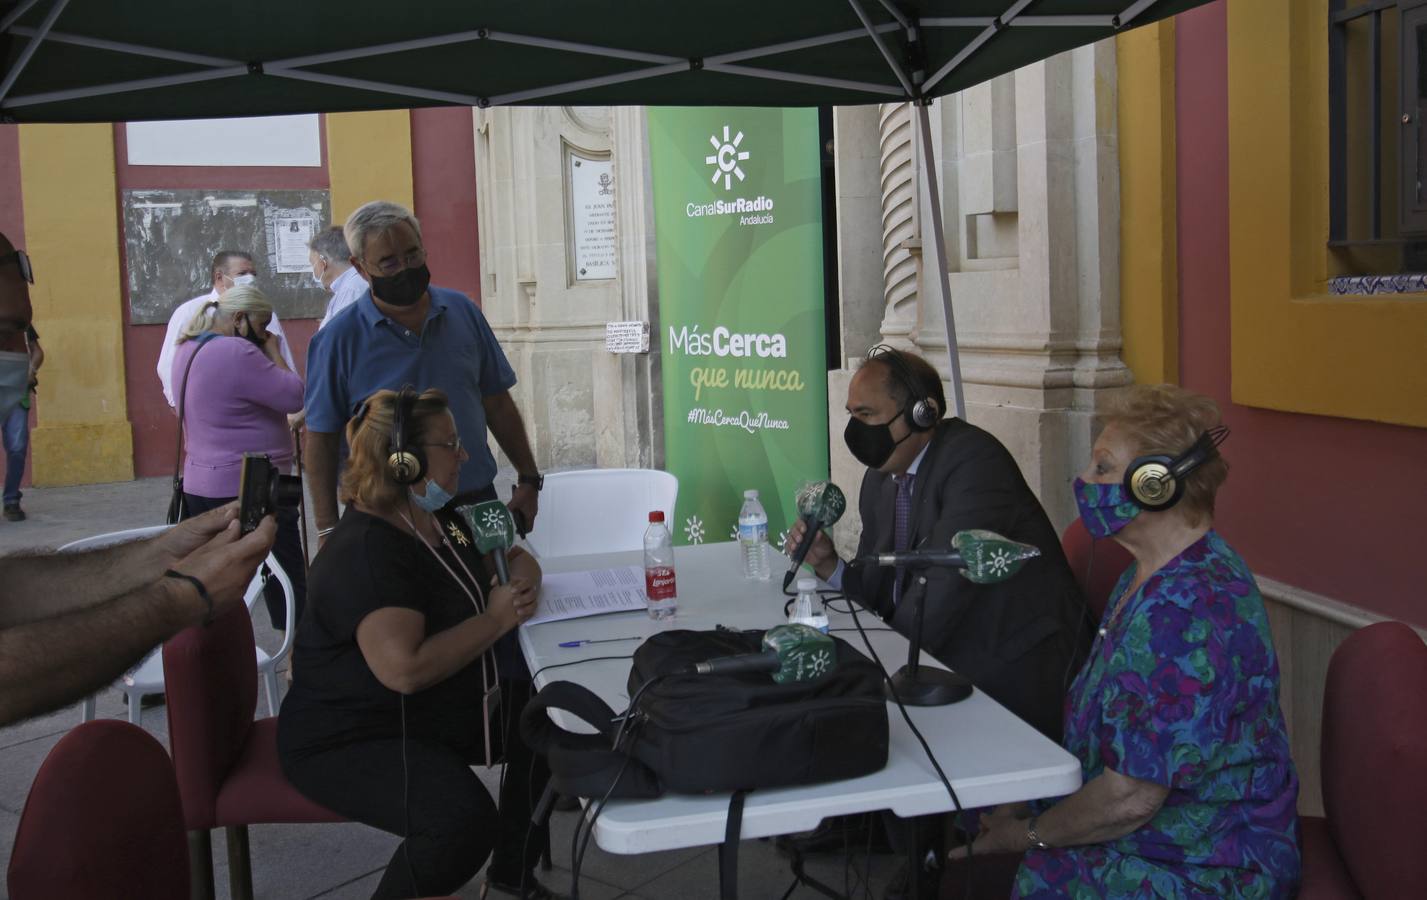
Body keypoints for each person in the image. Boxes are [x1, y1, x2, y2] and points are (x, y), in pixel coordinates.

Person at [948, 385, 1301, 898]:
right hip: (1146, 821)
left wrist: (1025, 836)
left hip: (1209, 859)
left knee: (1031, 878)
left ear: (1155, 486)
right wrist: (1028, 802)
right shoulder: (1146, 573)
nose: (1085, 482)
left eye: (1103, 467)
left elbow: (1131, 798)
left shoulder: (1187, 613)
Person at [278, 388, 561, 900]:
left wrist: (518, 584)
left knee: (547, 719)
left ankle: (510, 879)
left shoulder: (439, 515)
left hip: (424, 709)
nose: (464, 454)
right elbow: (403, 669)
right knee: (461, 824)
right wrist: (497, 619)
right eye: (450, 443)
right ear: (403, 462)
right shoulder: (368, 551)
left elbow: (515, 558)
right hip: (351, 738)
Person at [0, 228, 277, 725]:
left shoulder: (202, 339)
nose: (21, 358)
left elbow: (13, 595)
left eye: (20, 339)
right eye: (4, 334)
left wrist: (160, 553)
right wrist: (178, 598)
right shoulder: (232, 346)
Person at [787, 346, 1088, 741]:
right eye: (852, 415)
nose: (857, 431)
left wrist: (864, 674)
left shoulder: (975, 463)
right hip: (937, 663)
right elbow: (880, 589)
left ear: (921, 414)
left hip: (1013, 672)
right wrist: (830, 566)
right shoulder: (881, 477)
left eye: (867, 415)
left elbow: (941, 598)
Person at [303, 201, 542, 547]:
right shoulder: (337, 340)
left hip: (474, 500)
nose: (406, 268)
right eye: (389, 262)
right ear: (360, 267)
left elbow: (497, 403)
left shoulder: (463, 313)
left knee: (497, 593)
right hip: (388, 515)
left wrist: (529, 480)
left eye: (413, 254)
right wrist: (327, 529)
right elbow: (321, 438)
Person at [171, 285, 307, 634]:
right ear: (238, 318)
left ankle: (218, 647)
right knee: (286, 570)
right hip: (255, 482)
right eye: (262, 328)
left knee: (217, 573)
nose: (263, 337)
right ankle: (298, 651)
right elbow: (294, 395)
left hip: (201, 482)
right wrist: (274, 350)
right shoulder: (235, 352)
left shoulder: (187, 347)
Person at [156, 250, 297, 408]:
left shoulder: (264, 314)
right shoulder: (189, 312)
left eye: (253, 274)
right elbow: (169, 366)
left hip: (263, 407)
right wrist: (183, 408)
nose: (250, 280)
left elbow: (284, 362)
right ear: (219, 277)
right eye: (242, 273)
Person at [0, 322, 41, 521]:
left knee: (17, 447)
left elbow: (37, 352)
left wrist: (31, 371)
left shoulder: (19, 319)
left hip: (16, 392)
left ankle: (11, 500)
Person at [309, 225, 365, 330]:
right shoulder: (351, 286)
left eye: (313, 264)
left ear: (323, 263)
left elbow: (341, 337)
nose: (313, 271)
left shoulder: (351, 290)